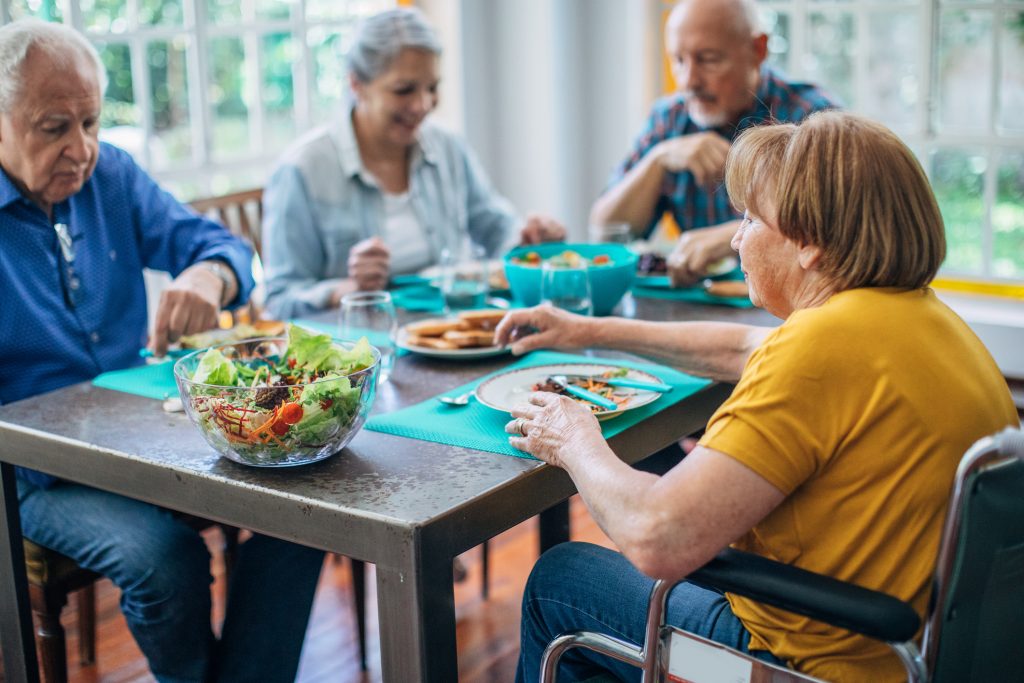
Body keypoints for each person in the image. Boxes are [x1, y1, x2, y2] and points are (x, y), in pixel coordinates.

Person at [497, 111, 1018, 682]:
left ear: (810, 243)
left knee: (561, 582)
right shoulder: (918, 320)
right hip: (915, 656)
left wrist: (576, 440)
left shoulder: (819, 350)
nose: (739, 238)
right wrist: (589, 331)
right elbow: (745, 346)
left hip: (804, 667)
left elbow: (656, 536)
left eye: (749, 218)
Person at [0, 20, 324, 682]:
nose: (81, 148)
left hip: (138, 437)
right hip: (32, 473)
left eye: (91, 122)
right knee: (164, 560)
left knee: (310, 513)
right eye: (55, 127)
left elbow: (226, 247)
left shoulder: (109, 174)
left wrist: (209, 275)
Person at [262, 7, 565, 320]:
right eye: (404, 89)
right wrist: (347, 288)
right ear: (356, 85)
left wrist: (529, 239)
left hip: (461, 329)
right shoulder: (302, 170)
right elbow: (280, 300)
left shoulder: (447, 146)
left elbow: (496, 227)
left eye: (432, 88)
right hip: (368, 350)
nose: (422, 105)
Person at [590, 0, 838, 286]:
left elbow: (842, 230)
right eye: (679, 60)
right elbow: (606, 232)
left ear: (757, 50)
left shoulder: (812, 118)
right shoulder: (669, 119)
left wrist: (739, 234)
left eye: (708, 59)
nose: (688, 81)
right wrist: (657, 159)